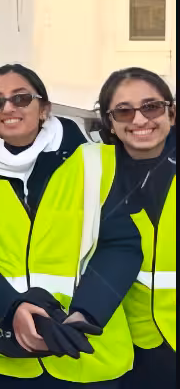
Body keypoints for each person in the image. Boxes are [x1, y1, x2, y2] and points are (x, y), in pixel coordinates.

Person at [0, 64, 142, 388]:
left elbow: (121, 246)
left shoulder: (94, 161)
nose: (8, 108)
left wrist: (86, 315)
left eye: (21, 98)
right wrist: (11, 309)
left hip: (86, 350)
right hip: (8, 355)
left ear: (44, 108)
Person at [95, 67, 176, 388]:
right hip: (119, 342)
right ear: (110, 122)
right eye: (124, 111)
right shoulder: (90, 173)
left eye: (151, 106)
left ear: (171, 111)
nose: (140, 120)